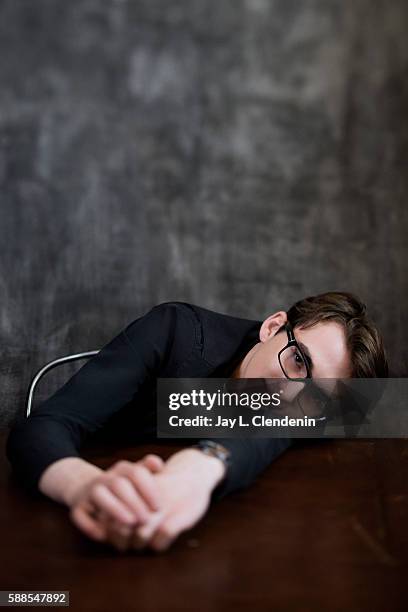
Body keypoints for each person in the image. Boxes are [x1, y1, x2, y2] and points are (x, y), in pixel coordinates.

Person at [6, 291, 388, 553]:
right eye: (298, 360)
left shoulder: (304, 409)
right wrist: (86, 485)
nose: (288, 391)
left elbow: (275, 432)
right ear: (272, 327)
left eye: (315, 395)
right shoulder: (175, 331)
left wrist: (202, 467)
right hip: (82, 503)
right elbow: (43, 428)